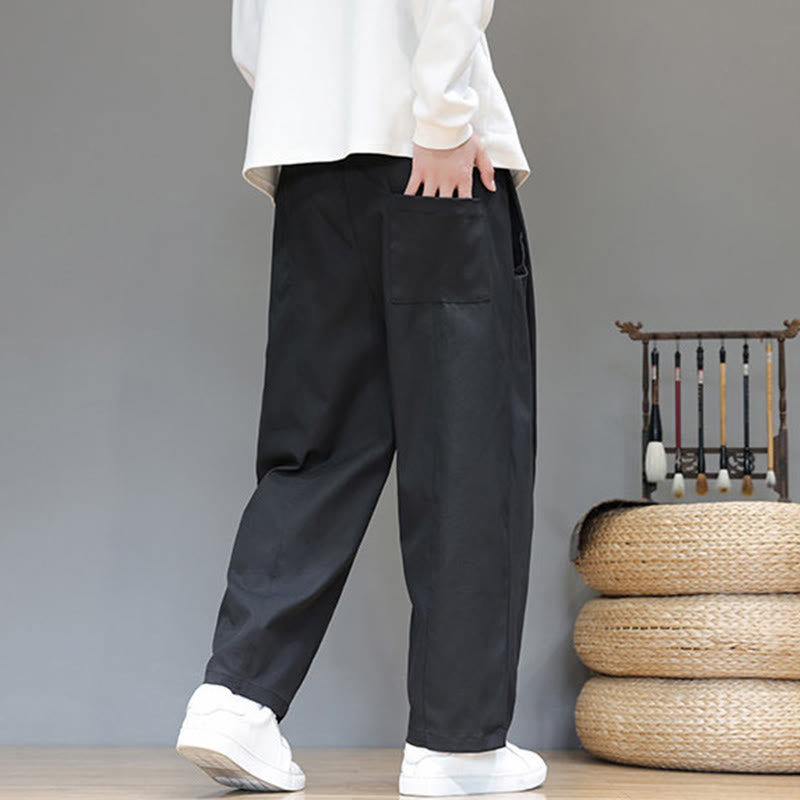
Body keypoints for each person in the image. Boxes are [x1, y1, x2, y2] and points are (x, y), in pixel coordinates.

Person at [176, 0, 546, 795]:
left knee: (317, 447)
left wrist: (308, 107)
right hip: (427, 153)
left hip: (307, 164)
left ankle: (236, 698)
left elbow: (253, 33)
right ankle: (457, 744)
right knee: (466, 449)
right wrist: (443, 119)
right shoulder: (434, 130)